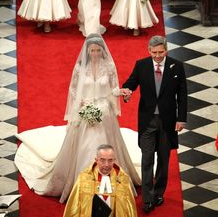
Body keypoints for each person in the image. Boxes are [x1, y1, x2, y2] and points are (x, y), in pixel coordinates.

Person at [14, 33, 141, 203]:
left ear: (102, 50)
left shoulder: (109, 66)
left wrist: (122, 92)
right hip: (86, 109)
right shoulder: (80, 68)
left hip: (104, 111)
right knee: (85, 146)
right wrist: (81, 104)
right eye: (92, 51)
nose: (95, 54)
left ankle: (107, 184)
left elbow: (113, 88)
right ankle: (83, 185)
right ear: (87, 51)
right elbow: (73, 90)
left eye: (98, 50)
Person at [122, 35, 188, 213]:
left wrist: (181, 118)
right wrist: (126, 92)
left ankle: (159, 193)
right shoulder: (141, 65)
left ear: (166, 50)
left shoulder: (177, 66)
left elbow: (182, 95)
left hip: (168, 122)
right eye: (154, 52)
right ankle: (148, 198)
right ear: (148, 51)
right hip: (147, 122)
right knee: (147, 160)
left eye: (161, 52)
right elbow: (130, 84)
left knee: (164, 161)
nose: (158, 56)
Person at [63, 144, 138, 217]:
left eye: (110, 160)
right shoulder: (83, 178)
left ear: (114, 160)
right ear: (96, 160)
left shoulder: (123, 180)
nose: (106, 165)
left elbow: (129, 210)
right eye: (102, 160)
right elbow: (73, 208)